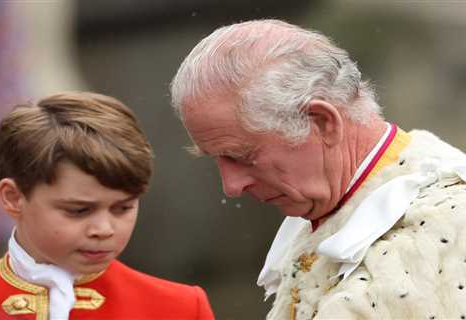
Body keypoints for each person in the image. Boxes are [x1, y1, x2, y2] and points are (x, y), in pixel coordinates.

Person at [170, 19, 466, 320]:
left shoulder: (448, 225)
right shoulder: (330, 203)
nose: (231, 186)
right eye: (215, 158)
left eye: (241, 156)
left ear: (322, 122)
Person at [0, 92, 215, 320]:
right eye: (79, 210)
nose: (104, 229)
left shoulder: (178, 308)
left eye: (123, 208)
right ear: (13, 198)